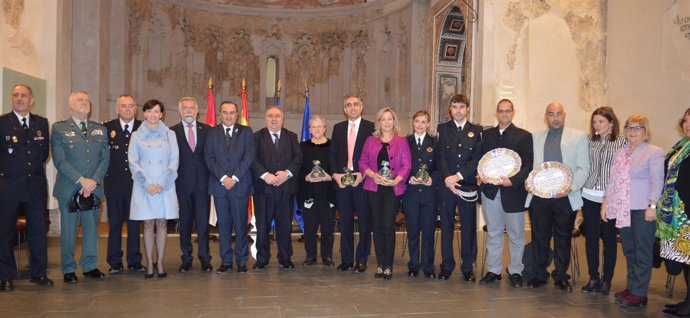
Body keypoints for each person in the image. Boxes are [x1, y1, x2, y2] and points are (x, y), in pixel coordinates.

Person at [525, 102, 589, 291]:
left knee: (563, 238)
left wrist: (571, 187)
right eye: (551, 114)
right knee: (539, 237)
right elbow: (530, 167)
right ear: (546, 116)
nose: (555, 117)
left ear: (564, 115)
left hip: (565, 196)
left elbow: (584, 168)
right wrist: (528, 182)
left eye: (558, 114)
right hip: (539, 197)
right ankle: (539, 274)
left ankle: (561, 275)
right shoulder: (534, 137)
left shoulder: (578, 137)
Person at [604, 114, 664, 308]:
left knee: (643, 252)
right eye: (629, 127)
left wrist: (652, 206)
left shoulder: (654, 152)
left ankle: (640, 293)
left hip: (642, 210)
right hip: (623, 210)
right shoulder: (621, 152)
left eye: (637, 128)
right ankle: (631, 288)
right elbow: (612, 181)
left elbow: (657, 181)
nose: (632, 132)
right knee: (630, 251)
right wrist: (606, 203)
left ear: (645, 131)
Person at [52, 90, 110, 283]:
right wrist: (81, 180)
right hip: (70, 188)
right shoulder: (59, 128)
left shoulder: (100, 129)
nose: (85, 102)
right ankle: (68, 268)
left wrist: (93, 181)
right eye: (80, 100)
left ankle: (90, 265)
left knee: (91, 229)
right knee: (69, 231)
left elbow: (104, 159)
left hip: (93, 188)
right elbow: (60, 161)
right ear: (71, 106)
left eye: (87, 100)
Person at [0, 84, 52, 292]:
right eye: (15, 95)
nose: (19, 99)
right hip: (9, 187)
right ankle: (5, 276)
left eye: (23, 95)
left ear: (31, 99)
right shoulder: (2, 122)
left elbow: (44, 154)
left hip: (36, 186)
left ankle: (38, 273)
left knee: (38, 230)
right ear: (11, 99)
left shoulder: (41, 122)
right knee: (5, 233)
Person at [478, 99, 533, 288]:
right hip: (491, 192)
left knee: (516, 234)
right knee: (493, 233)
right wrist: (481, 175)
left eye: (507, 111)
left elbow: (528, 165)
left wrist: (513, 180)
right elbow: (480, 161)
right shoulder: (486, 135)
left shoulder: (524, 136)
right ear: (496, 113)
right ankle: (493, 270)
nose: (504, 114)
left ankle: (516, 270)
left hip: (514, 192)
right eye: (501, 111)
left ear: (513, 112)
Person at [128, 99, 179, 279]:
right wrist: (147, 183)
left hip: (164, 185)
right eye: (149, 111)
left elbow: (174, 161)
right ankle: (150, 261)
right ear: (144, 114)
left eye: (157, 111)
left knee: (162, 223)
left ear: (161, 114)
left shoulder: (170, 134)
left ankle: (161, 261)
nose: (153, 115)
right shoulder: (136, 135)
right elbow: (133, 162)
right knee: (148, 223)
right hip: (144, 186)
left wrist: (163, 183)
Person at [359, 107, 411, 280]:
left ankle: (388, 265)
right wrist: (372, 175)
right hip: (373, 188)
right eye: (383, 119)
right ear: (378, 122)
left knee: (388, 226)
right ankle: (380, 264)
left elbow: (406, 165)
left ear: (394, 121)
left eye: (390, 119)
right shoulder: (370, 140)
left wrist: (395, 180)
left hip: (392, 190)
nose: (387, 122)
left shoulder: (401, 141)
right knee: (377, 226)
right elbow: (362, 162)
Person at [579, 106, 626, 295]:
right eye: (595, 121)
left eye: (601, 121)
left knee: (609, 240)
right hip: (589, 195)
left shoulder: (622, 141)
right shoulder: (589, 141)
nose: (597, 125)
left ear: (611, 123)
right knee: (591, 239)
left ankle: (607, 280)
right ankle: (593, 278)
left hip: (611, 197)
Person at [205, 101, 255, 274]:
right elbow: (209, 157)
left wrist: (234, 177)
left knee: (241, 225)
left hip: (239, 186)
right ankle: (226, 261)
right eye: (225, 112)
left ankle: (242, 260)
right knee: (224, 226)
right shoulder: (211, 133)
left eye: (232, 112)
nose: (228, 115)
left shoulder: (246, 132)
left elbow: (249, 156)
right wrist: (223, 178)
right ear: (220, 114)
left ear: (237, 114)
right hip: (220, 187)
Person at [436, 94, 482, 281]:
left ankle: (467, 266)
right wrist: (448, 178)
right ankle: (447, 265)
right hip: (447, 186)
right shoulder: (443, 129)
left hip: (467, 185)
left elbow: (476, 158)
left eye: (462, 107)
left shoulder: (476, 130)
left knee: (468, 226)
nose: (458, 110)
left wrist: (458, 176)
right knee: (446, 226)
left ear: (468, 109)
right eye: (454, 107)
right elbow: (440, 157)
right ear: (450, 109)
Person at [251, 106, 302, 270]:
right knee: (262, 226)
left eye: (277, 116)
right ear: (265, 118)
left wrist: (286, 174)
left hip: (285, 189)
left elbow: (298, 158)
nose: (274, 119)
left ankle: (285, 257)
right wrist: (266, 175)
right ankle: (262, 258)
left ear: (283, 118)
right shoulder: (256, 137)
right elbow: (253, 160)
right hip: (263, 190)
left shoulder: (291, 136)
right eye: (270, 116)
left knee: (285, 225)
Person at [329, 94, 375, 273]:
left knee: (364, 222)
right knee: (345, 223)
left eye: (356, 104)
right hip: (342, 183)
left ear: (361, 107)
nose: (353, 107)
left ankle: (362, 259)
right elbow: (332, 155)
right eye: (349, 105)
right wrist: (335, 175)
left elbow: (374, 156)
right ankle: (347, 260)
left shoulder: (371, 127)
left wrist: (363, 174)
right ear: (345, 109)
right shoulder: (338, 128)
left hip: (362, 182)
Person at [103, 94, 145, 275]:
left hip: (137, 185)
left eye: (131, 106)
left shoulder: (144, 128)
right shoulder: (106, 128)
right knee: (115, 225)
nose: (127, 109)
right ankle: (114, 261)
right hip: (114, 184)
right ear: (117, 109)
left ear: (136, 109)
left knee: (135, 224)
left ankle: (134, 260)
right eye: (124, 106)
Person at [171, 97, 213, 273]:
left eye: (191, 108)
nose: (188, 111)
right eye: (185, 108)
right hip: (183, 185)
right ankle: (186, 258)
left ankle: (205, 258)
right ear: (180, 112)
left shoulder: (208, 131)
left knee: (203, 225)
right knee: (185, 224)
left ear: (197, 111)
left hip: (203, 185)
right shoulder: (171, 132)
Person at [658, 108, 690, 316]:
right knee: (687, 260)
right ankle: (688, 301)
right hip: (678, 213)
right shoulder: (683, 145)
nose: (687, 124)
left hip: (687, 212)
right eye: (685, 120)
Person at [402, 110, 439, 279]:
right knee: (413, 230)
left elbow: (440, 167)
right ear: (413, 123)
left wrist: (433, 179)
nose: (420, 125)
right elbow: (400, 164)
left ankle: (428, 266)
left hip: (429, 193)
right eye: (417, 121)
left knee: (429, 230)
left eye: (423, 122)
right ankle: (414, 264)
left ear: (428, 124)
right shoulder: (405, 142)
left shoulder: (435, 142)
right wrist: (407, 178)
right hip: (411, 192)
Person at [298, 115, 336, 266]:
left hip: (328, 193)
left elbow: (338, 168)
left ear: (325, 129)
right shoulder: (302, 147)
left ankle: (327, 256)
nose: (317, 129)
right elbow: (297, 170)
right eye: (314, 127)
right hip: (309, 193)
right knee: (310, 228)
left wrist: (330, 176)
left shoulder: (333, 146)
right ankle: (311, 255)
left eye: (320, 126)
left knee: (327, 227)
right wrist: (306, 178)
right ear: (309, 130)